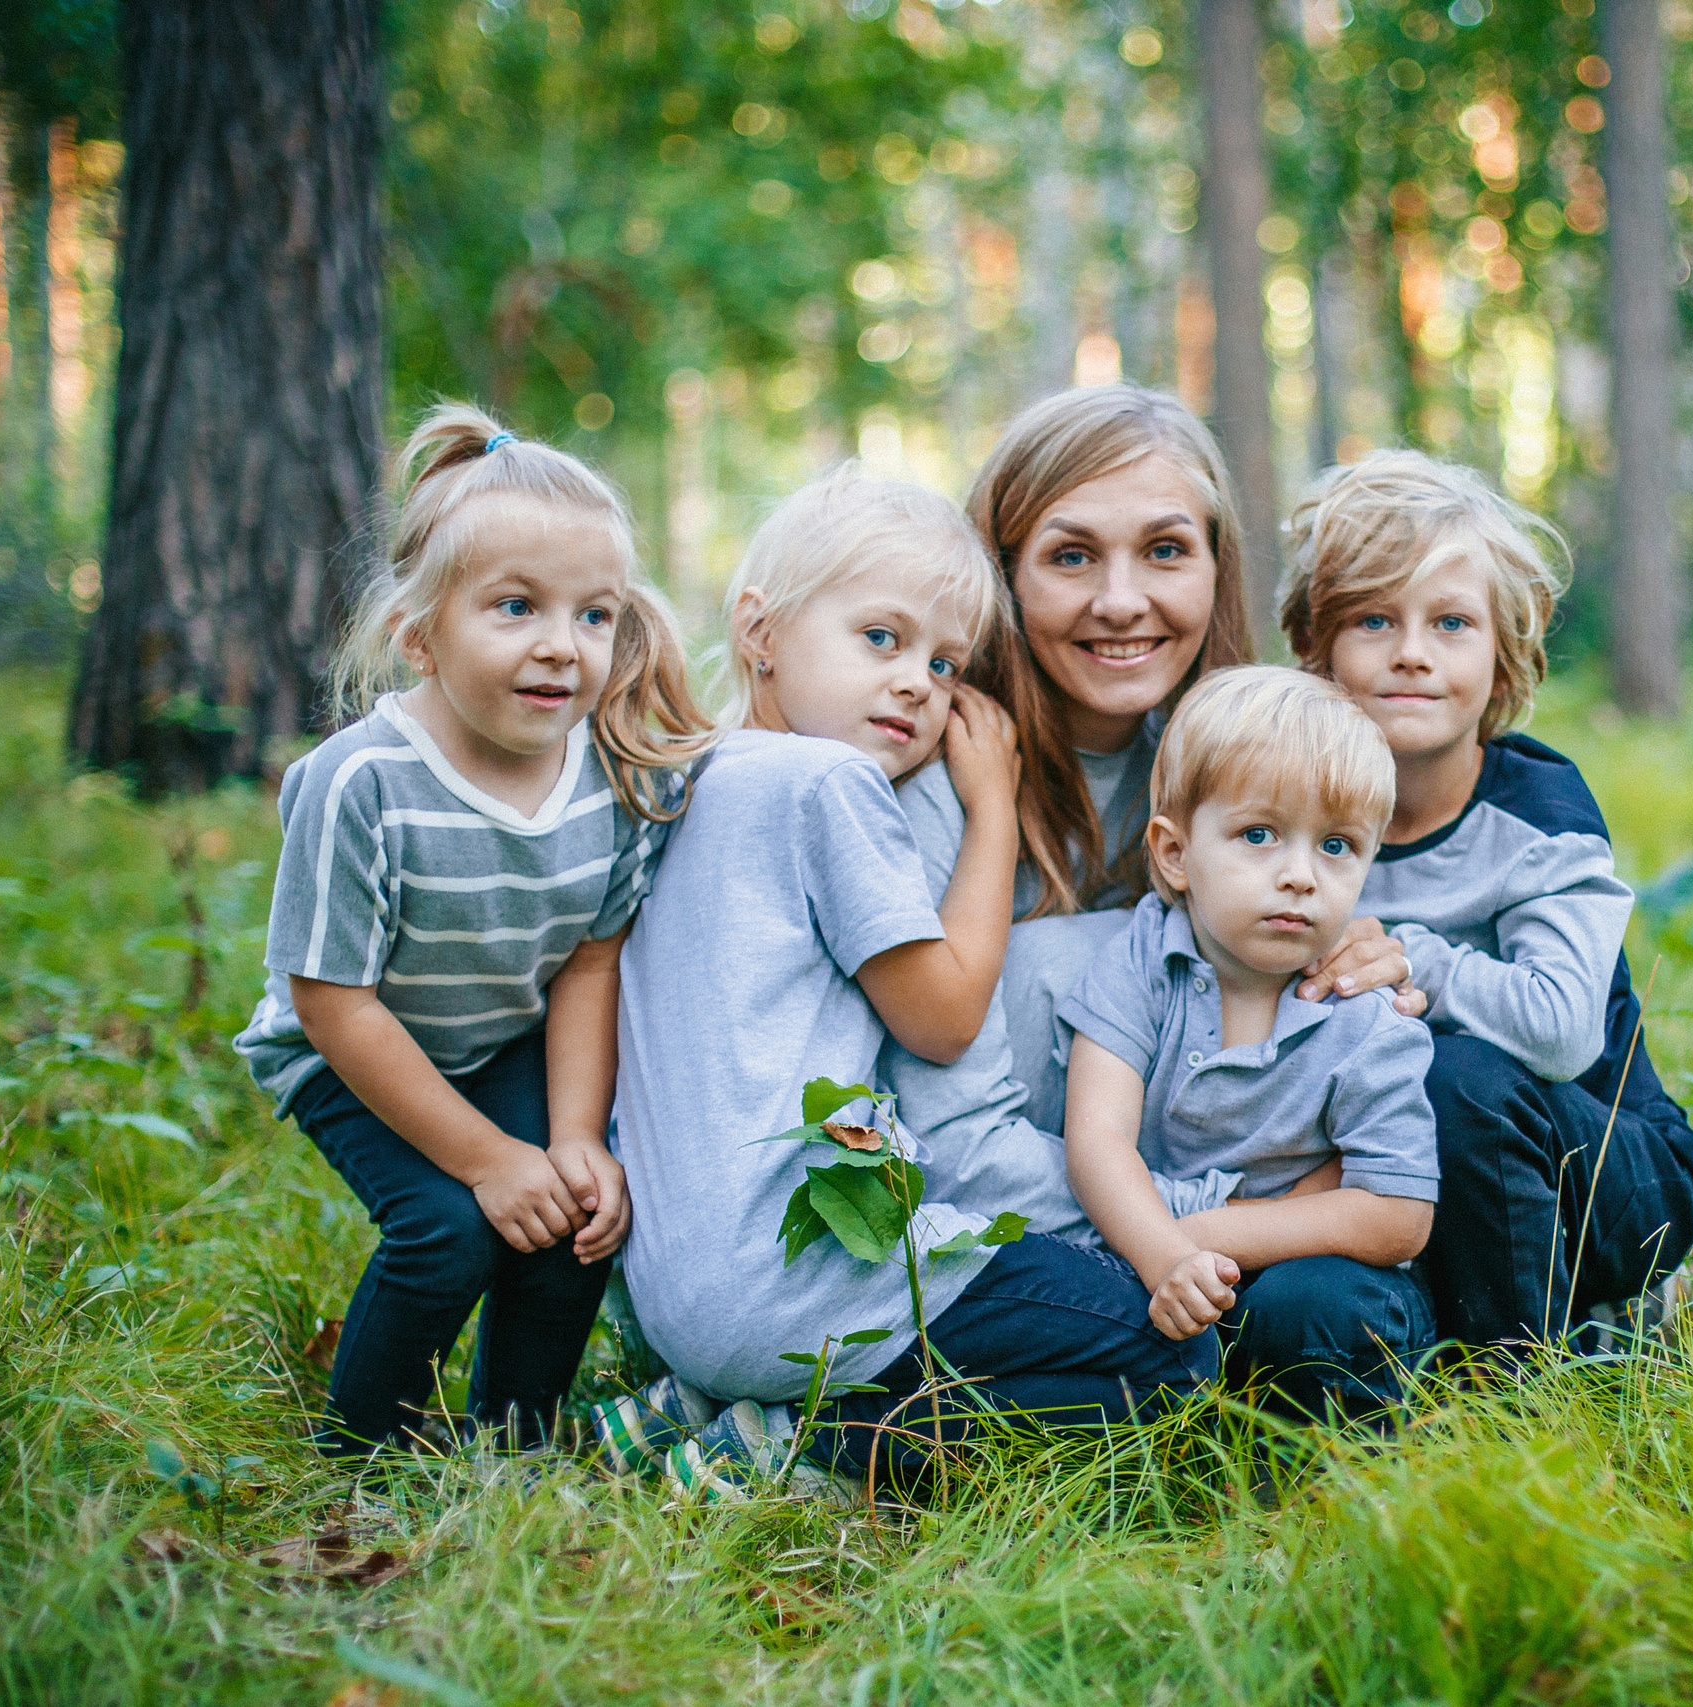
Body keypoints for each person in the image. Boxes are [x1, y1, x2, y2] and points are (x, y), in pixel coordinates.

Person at [600, 464, 1210, 1498]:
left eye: (942, 661)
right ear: (760, 632)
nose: (917, 684)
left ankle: (696, 1407)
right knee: (1170, 1355)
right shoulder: (826, 783)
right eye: (880, 640)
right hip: (814, 1274)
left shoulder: (684, 779)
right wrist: (989, 809)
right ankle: (808, 1451)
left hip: (668, 1290)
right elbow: (940, 1014)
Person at [232, 403, 711, 1456]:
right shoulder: (358, 783)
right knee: (451, 1231)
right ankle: (364, 1456)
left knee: (573, 1218)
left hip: (497, 1039)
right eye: (515, 608)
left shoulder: (613, 781)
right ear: (419, 633)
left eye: (595, 615)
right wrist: (489, 1157)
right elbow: (331, 1001)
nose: (561, 649)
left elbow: (590, 963)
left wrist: (573, 1138)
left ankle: (514, 1442)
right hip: (349, 1050)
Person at [884, 386, 1417, 1233]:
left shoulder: (1243, 774)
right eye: (1071, 557)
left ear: (1216, 565)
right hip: (1004, 1226)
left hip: (1183, 1227)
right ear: (1003, 576)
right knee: (1056, 959)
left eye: (1165, 550)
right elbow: (953, 1150)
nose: (1123, 600)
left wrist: (1337, 961)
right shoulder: (935, 776)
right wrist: (1229, 1215)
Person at [1279, 449, 1693, 1358]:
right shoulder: (1296, 815)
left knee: (1451, 1076)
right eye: (1373, 619)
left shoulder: (1537, 817)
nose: (1411, 652)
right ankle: (1427, 1334)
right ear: (1317, 648)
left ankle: (1535, 1365)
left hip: (1605, 1174)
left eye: (1450, 622)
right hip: (1419, 1185)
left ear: (1504, 649)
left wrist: (1417, 958)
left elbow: (1561, 1033)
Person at [1060, 669, 1440, 1422]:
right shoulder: (1144, 961)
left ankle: (1315, 1477)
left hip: (1308, 1275)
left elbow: (1399, 1211)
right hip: (1168, 1264)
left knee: (1321, 1310)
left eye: (1336, 845)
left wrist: (1203, 1237)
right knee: (1069, 1289)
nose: (1299, 875)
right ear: (1175, 853)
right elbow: (1098, 1137)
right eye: (1258, 835)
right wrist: (1164, 1257)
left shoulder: (1364, 1013)